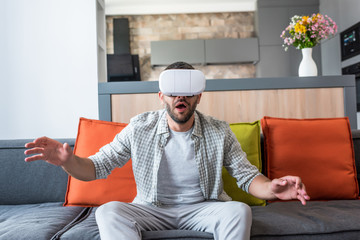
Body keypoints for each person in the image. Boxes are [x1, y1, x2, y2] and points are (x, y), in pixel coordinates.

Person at [24, 62, 310, 240]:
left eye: (187, 91)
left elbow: (247, 177)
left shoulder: (219, 130)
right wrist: (68, 161)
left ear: (198, 95)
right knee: (109, 212)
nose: (180, 97)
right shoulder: (140, 127)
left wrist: (273, 188)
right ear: (162, 96)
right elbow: (97, 167)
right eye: (173, 91)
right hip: (150, 209)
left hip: (204, 208)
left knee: (238, 211)